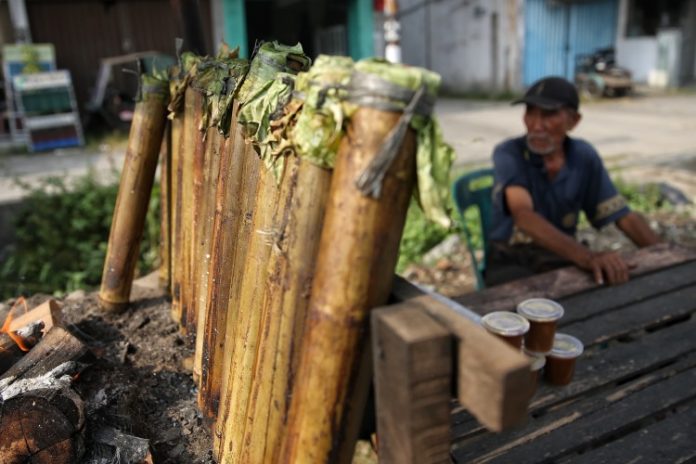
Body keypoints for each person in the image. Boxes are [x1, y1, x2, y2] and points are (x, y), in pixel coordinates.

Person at [486, 76, 660, 287]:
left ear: (574, 121)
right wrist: (588, 257)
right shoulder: (510, 153)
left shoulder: (582, 156)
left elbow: (622, 216)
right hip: (513, 258)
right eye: (530, 112)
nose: (536, 125)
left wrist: (666, 254)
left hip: (559, 256)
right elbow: (523, 216)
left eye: (548, 114)